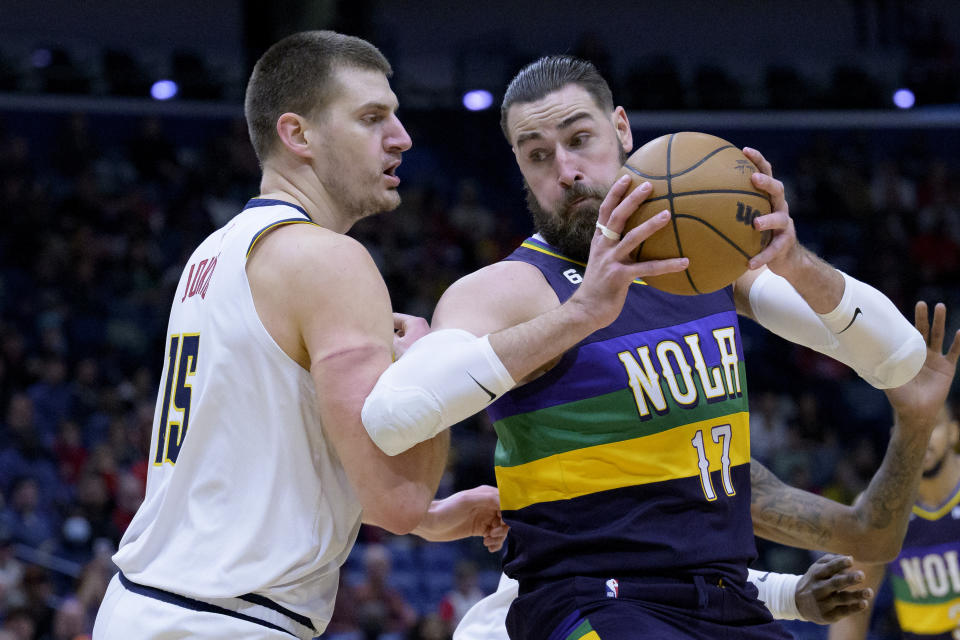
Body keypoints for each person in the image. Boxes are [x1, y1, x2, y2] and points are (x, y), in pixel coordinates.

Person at [360, 55, 929, 639]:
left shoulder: (705, 266)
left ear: (622, 130)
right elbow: (392, 417)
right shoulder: (508, 289)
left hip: (727, 598)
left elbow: (899, 356)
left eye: (580, 138)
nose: (566, 170)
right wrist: (583, 313)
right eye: (537, 154)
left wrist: (796, 262)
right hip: (588, 599)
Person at [92, 31, 506, 640]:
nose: (402, 137)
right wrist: (430, 367)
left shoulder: (214, 254)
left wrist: (434, 521)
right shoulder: (330, 260)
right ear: (297, 134)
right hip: (224, 620)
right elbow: (398, 502)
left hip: (150, 606)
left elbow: (273, 453)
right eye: (371, 118)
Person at [451, 301, 960, 639]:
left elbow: (865, 533)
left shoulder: (714, 465)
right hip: (561, 615)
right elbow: (635, 576)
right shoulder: (591, 455)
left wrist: (914, 422)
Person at [829, 369, 960, 634]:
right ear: (894, 438)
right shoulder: (880, 507)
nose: (920, 438)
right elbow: (851, 611)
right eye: (909, 428)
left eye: (932, 425)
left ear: (954, 432)